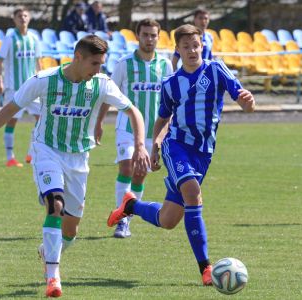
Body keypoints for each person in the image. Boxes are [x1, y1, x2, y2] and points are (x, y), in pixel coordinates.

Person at [0, 35, 150, 298]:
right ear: (78, 57)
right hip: (46, 150)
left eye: (101, 64)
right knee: (55, 205)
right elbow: (8, 109)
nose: (99, 70)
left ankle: (46, 251)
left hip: (79, 159)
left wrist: (140, 145)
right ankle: (53, 277)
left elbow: (133, 112)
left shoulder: (101, 84)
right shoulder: (44, 80)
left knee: (71, 232)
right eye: (95, 63)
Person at [107, 24, 255, 285]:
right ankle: (206, 269)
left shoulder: (216, 69)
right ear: (177, 49)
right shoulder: (171, 84)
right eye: (185, 47)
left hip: (204, 152)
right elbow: (163, 119)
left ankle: (130, 205)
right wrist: (155, 147)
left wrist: (247, 102)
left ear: (202, 46)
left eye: (196, 45)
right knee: (192, 192)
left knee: (168, 220)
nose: (192, 51)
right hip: (176, 145)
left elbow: (240, 97)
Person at [99, 18, 173, 238]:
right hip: (126, 128)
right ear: (138, 36)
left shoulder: (165, 65)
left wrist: (168, 129)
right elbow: (108, 95)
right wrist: (99, 122)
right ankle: (122, 221)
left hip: (153, 131)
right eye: (145, 34)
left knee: (140, 174)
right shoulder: (124, 64)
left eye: (153, 35)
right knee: (126, 169)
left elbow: (170, 99)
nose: (149, 39)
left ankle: (127, 217)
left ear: (158, 37)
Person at [0, 7, 42, 167]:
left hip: (32, 87)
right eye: (19, 16)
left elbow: (38, 61)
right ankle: (10, 158)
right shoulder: (10, 39)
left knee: (42, 119)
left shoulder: (34, 38)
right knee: (11, 121)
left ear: (29, 18)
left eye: (25, 15)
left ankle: (31, 154)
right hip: (14, 88)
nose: (22, 18)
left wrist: (42, 80)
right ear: (14, 19)